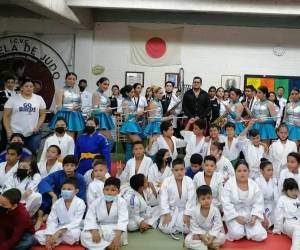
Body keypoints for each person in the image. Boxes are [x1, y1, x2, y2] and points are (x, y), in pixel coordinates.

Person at [221, 160, 267, 241]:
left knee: (261, 235)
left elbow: (258, 203)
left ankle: (247, 230)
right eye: (239, 171)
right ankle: (243, 231)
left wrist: (254, 217)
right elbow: (226, 203)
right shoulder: (229, 184)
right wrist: (237, 217)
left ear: (249, 172)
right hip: (234, 214)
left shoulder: (254, 185)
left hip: (250, 214)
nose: (242, 173)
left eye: (245, 171)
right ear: (235, 172)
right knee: (236, 234)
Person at [37, 155, 86, 230]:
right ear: (63, 166)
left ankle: (48, 215)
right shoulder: (58, 174)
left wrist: (66, 200)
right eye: (66, 165)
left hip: (71, 201)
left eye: (72, 165)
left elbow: (81, 196)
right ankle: (40, 218)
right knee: (45, 195)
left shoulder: (80, 178)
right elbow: (43, 182)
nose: (69, 168)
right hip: (56, 198)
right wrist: (53, 195)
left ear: (76, 167)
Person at [35, 177, 86, 248]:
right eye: (63, 189)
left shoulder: (80, 203)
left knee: (75, 234)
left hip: (72, 228)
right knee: (38, 234)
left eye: (69, 189)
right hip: (60, 227)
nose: (65, 191)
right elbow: (52, 220)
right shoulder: (57, 203)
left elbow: (76, 222)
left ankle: (55, 241)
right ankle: (53, 240)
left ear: (76, 191)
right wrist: (49, 235)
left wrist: (59, 232)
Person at [81, 177, 129, 249]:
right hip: (101, 227)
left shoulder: (122, 202)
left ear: (118, 192)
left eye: (113, 190)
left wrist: (117, 237)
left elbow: (123, 220)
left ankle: (100, 245)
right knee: (84, 235)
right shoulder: (96, 202)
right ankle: (108, 246)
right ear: (103, 190)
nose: (109, 192)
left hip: (116, 230)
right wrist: (94, 231)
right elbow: (90, 217)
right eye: (107, 189)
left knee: (119, 236)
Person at [3, 76, 46, 154]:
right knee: (15, 154)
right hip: (15, 133)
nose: (29, 88)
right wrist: (8, 131)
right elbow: (5, 116)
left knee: (31, 154)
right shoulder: (13, 99)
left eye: (31, 86)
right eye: (26, 86)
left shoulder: (39, 99)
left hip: (33, 133)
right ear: (21, 88)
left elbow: (43, 114)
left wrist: (38, 126)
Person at [158, 158, 196, 237]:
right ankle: (176, 227)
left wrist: (187, 214)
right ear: (172, 171)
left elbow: (191, 200)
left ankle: (176, 227)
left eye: (182, 169)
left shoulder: (189, 181)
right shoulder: (167, 181)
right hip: (171, 210)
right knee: (165, 228)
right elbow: (163, 199)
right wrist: (167, 213)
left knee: (187, 229)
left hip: (184, 210)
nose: (179, 172)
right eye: (176, 170)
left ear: (185, 170)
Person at [185, 185, 225, 250]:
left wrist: (212, 236)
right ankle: (210, 245)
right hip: (199, 234)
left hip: (210, 233)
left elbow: (218, 225)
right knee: (188, 240)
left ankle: (205, 245)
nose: (206, 201)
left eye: (208, 198)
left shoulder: (215, 210)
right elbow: (194, 226)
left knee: (222, 237)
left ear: (212, 198)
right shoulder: (194, 210)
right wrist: (201, 236)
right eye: (203, 199)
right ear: (198, 200)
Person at [48, 72, 85, 138]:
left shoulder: (77, 92)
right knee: (65, 138)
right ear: (65, 79)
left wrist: (79, 107)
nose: (72, 81)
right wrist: (70, 109)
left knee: (73, 138)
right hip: (64, 116)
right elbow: (58, 107)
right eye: (69, 79)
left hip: (75, 116)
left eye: (74, 79)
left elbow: (80, 105)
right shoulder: (60, 91)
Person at [273, 178, 300, 250]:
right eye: (291, 190)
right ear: (285, 191)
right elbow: (278, 214)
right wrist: (277, 229)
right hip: (289, 223)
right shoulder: (282, 199)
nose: (294, 192)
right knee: (298, 230)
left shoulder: (298, 199)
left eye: (296, 189)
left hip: (298, 221)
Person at [119, 85, 143, 161]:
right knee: (138, 143)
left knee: (130, 144)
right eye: (132, 92)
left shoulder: (130, 101)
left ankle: (128, 163)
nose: (133, 93)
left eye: (133, 91)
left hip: (133, 124)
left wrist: (137, 115)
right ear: (127, 93)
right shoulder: (125, 102)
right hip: (129, 125)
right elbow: (126, 117)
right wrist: (137, 113)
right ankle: (131, 163)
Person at [255, 158, 279, 229]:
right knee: (263, 221)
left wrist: (278, 209)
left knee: (278, 217)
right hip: (261, 206)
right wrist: (264, 216)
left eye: (272, 170)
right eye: (268, 170)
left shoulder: (273, 180)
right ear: (262, 171)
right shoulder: (257, 181)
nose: (271, 172)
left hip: (271, 204)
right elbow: (258, 201)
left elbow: (276, 198)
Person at [92, 77, 115, 142]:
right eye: (105, 84)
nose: (106, 86)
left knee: (105, 141)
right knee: (109, 141)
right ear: (99, 83)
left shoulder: (104, 95)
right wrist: (105, 110)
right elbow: (94, 110)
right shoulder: (96, 94)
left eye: (108, 85)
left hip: (105, 118)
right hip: (100, 120)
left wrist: (109, 110)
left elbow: (105, 108)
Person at [0, 75, 17, 151]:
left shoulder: (17, 94)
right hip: (4, 118)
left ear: (15, 83)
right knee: (4, 139)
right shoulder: (1, 93)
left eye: (12, 82)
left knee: (14, 138)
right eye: (8, 82)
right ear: (5, 83)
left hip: (16, 119)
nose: (10, 84)